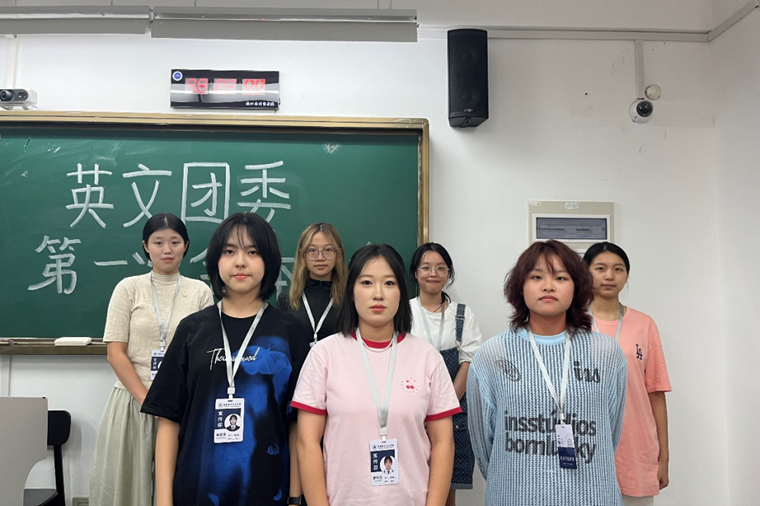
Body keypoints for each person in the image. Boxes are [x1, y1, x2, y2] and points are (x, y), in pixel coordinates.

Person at [141, 212, 310, 506]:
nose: (240, 262)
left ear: (269, 261)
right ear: (215, 260)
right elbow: (169, 421)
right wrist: (164, 501)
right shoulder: (192, 329)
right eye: (229, 251)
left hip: (268, 491)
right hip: (196, 492)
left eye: (253, 252)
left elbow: (298, 425)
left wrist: (295, 498)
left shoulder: (290, 332)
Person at [292, 244, 461, 506]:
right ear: (351, 292)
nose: (378, 294)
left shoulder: (427, 357)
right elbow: (307, 442)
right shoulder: (324, 355)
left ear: (401, 292)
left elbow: (443, 442)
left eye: (389, 283)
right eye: (367, 282)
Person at [467, 240, 628, 506]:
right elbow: (484, 445)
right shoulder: (492, 355)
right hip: (515, 497)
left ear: (577, 287)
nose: (548, 286)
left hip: (591, 496)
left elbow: (609, 432)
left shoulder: (606, 353)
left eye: (561, 278)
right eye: (536, 277)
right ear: (520, 286)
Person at [90, 213, 214, 506]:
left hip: (181, 407)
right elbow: (115, 352)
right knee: (128, 487)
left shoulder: (200, 292)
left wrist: (170, 405)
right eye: (158, 242)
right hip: (133, 403)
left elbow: (204, 355)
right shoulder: (128, 288)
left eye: (175, 242)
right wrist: (148, 401)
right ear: (146, 246)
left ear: (186, 246)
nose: (167, 249)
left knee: (176, 487)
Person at [583, 242, 671, 506]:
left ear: (627, 275)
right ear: (585, 272)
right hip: (586, 442)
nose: (609, 276)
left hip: (635, 444)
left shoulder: (644, 324)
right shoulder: (572, 323)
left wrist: (664, 457)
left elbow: (655, 393)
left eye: (618, 269)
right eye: (600, 268)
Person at [408, 242, 484, 505]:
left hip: (454, 411)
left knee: (446, 489)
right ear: (415, 272)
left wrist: (443, 408)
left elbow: (469, 362)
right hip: (411, 410)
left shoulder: (462, 314)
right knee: (410, 486)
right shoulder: (404, 312)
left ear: (448, 273)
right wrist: (421, 410)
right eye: (426, 267)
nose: (433, 273)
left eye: (441, 268)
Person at [277, 223, 347, 347]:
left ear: (338, 254)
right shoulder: (287, 298)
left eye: (328, 250)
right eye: (312, 250)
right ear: (302, 255)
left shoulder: (349, 299)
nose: (320, 258)